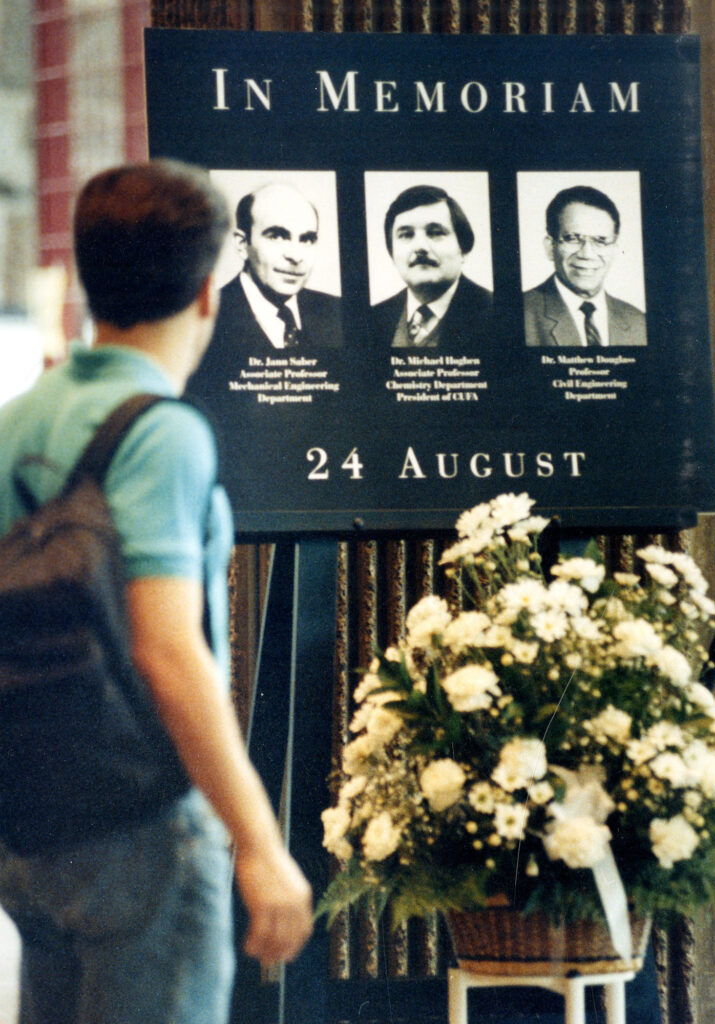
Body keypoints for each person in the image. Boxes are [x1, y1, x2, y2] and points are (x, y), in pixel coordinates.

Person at [0, 160, 313, 1024]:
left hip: (32, 823)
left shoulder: (18, 419)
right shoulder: (164, 433)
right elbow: (167, 648)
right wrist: (258, 843)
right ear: (209, 290)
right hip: (141, 822)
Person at [189, 181, 343, 392]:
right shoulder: (205, 317)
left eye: (307, 239)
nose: (296, 256)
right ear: (242, 245)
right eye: (277, 236)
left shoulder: (337, 311)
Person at [370, 184, 493, 352]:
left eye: (435, 232)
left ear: (463, 248)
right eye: (406, 235)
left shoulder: (496, 313)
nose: (420, 247)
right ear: (392, 252)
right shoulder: (372, 318)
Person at [523, 184, 647, 347]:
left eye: (601, 241)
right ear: (550, 247)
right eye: (573, 238)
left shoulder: (638, 321)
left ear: (614, 250)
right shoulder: (521, 314)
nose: (587, 254)